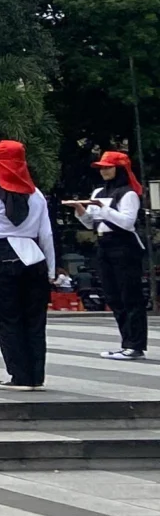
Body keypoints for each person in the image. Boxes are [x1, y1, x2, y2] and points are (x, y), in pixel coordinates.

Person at [0, 139, 55, 391]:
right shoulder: (37, 194)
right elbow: (47, 235)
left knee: (9, 320)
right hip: (35, 261)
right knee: (35, 320)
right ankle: (35, 375)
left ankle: (19, 375)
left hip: (3, 260)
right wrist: (52, 269)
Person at [76, 152, 148, 360]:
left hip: (124, 246)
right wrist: (81, 210)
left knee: (130, 295)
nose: (104, 171)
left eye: (108, 167)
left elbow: (127, 222)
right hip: (104, 244)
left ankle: (136, 345)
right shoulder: (98, 191)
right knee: (113, 296)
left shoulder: (128, 194)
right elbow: (91, 223)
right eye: (102, 167)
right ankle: (126, 342)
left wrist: (103, 209)